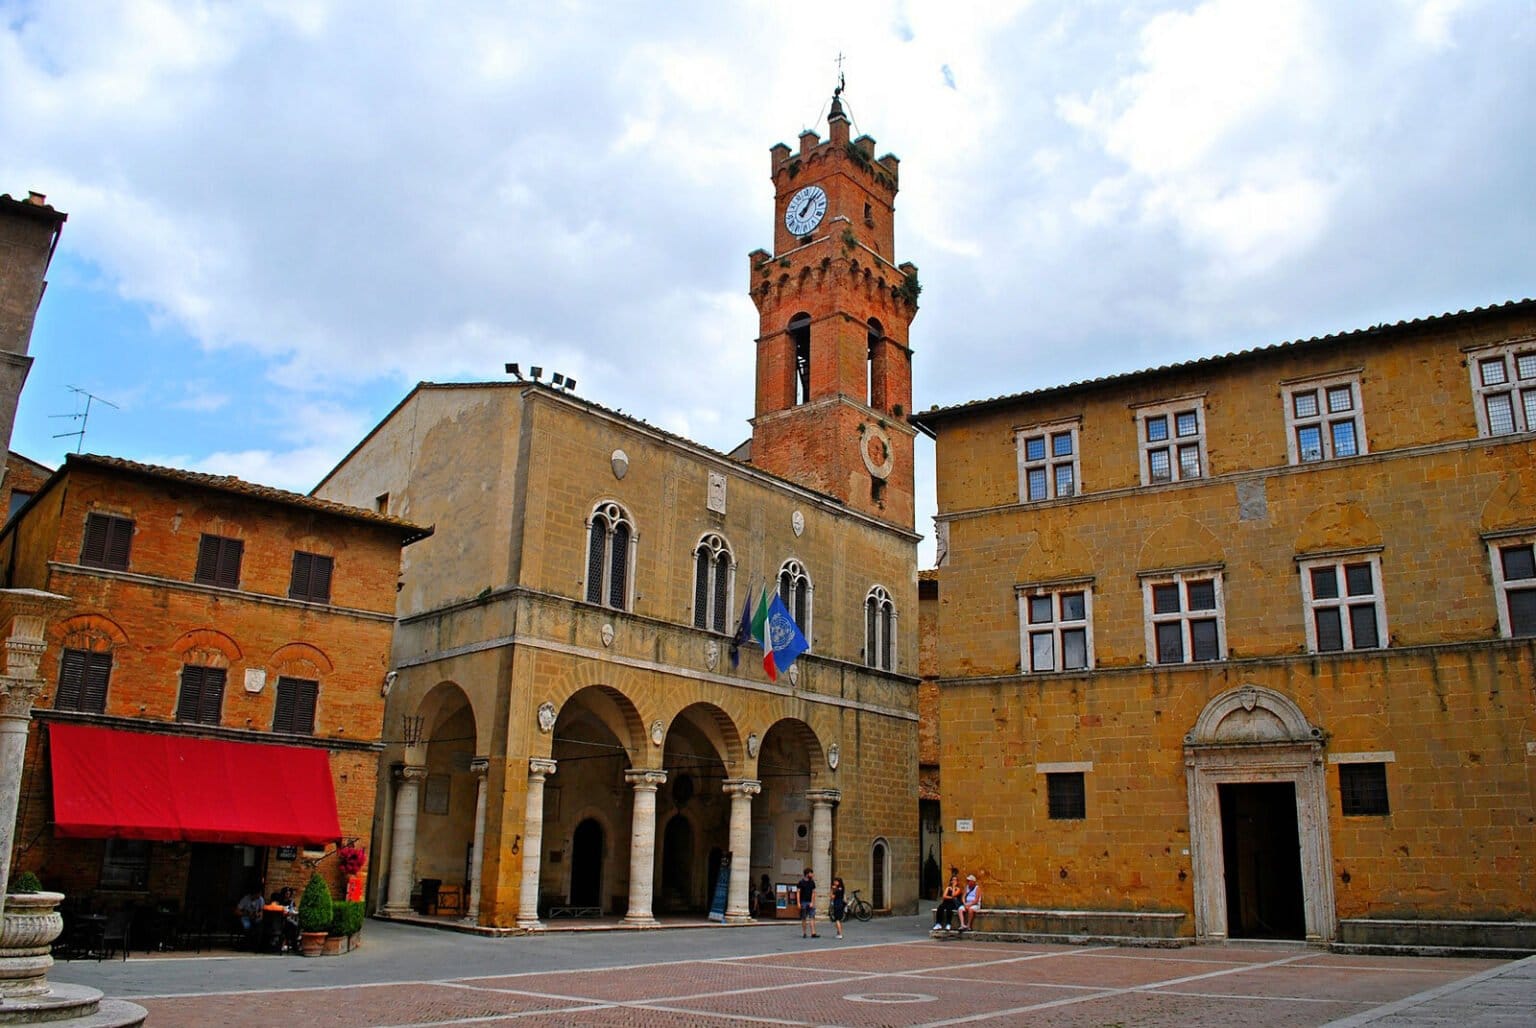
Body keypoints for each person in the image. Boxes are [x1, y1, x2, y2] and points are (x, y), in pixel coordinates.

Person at [235, 883, 265, 949]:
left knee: (259, 926)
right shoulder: (245, 899)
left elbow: (262, 911)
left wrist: (259, 914)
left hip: (256, 918)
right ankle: (246, 943)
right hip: (246, 917)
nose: (259, 895)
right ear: (253, 894)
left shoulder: (261, 899)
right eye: (258, 894)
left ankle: (255, 944)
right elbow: (237, 911)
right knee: (247, 927)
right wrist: (246, 913)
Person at [796, 867, 818, 938]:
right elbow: (798, 893)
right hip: (803, 902)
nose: (812, 874)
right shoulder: (801, 882)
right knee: (804, 918)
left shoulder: (812, 882)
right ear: (807, 874)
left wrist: (812, 902)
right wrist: (798, 903)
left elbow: (813, 893)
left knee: (812, 917)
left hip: (810, 902)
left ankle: (813, 933)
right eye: (811, 873)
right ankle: (804, 933)